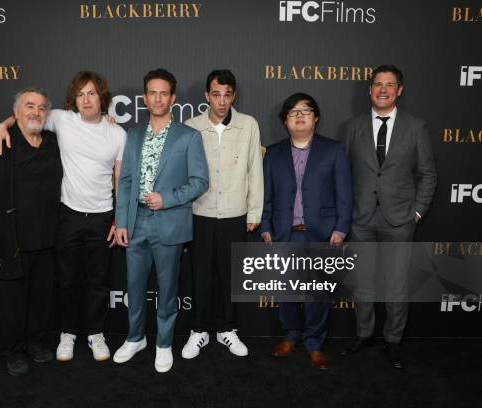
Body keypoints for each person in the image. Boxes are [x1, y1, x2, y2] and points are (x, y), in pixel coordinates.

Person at [0, 72, 126, 362]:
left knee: (98, 281)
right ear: (74, 99)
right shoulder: (61, 119)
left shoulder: (118, 134)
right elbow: (24, 117)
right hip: (67, 215)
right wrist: (1, 126)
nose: (86, 100)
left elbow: (120, 180)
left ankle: (95, 333)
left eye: (92, 94)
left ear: (102, 98)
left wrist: (118, 220)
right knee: (66, 279)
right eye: (81, 94)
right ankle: (68, 333)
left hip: (101, 217)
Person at [112, 68, 209, 373]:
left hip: (169, 221)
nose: (157, 98)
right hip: (136, 220)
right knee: (134, 285)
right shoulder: (135, 134)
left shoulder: (189, 136)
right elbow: (125, 180)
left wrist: (167, 198)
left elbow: (200, 182)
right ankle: (136, 337)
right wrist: (122, 221)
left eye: (163, 92)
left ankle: (164, 343)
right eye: (152, 92)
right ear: (144, 98)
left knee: (168, 289)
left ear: (173, 98)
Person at [341, 65, 437, 369]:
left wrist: (417, 212)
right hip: (361, 219)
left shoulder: (415, 127)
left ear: (399, 90)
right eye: (378, 84)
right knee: (364, 282)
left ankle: (393, 340)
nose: (383, 89)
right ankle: (364, 334)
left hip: (400, 220)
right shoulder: (352, 127)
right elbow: (343, 175)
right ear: (369, 90)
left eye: (390, 84)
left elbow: (427, 174)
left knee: (396, 284)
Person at [0, 87, 62, 376]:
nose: (35, 112)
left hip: (47, 239)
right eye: (29, 106)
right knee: (11, 302)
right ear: (17, 111)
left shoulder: (53, 143)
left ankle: (34, 342)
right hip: (11, 240)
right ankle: (12, 350)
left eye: (41, 107)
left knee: (40, 299)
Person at [260, 93, 352, 370]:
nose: (299, 116)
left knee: (317, 296)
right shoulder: (273, 153)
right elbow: (266, 195)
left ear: (316, 118)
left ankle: (314, 343)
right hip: (284, 233)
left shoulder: (333, 150)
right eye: (293, 112)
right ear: (285, 121)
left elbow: (344, 193)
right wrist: (265, 227)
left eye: (306, 111)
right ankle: (291, 336)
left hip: (321, 233)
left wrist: (341, 228)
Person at [181, 69, 263, 359]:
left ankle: (227, 329)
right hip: (199, 213)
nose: (222, 100)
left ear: (234, 95)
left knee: (229, 276)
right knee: (200, 275)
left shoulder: (249, 125)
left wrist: (255, 210)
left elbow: (255, 168)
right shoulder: (190, 126)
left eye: (227, 94)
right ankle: (199, 330)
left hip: (235, 213)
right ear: (206, 95)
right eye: (216, 94)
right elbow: (183, 175)